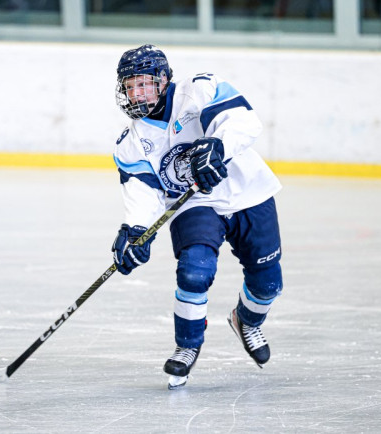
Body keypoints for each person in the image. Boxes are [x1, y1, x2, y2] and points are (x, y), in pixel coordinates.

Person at [110, 44, 283, 389]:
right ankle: (186, 346)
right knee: (194, 271)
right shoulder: (131, 143)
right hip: (194, 203)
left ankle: (246, 319)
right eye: (130, 86)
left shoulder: (199, 89)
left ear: (163, 80)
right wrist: (136, 230)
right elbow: (144, 192)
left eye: (143, 84)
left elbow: (243, 121)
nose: (136, 93)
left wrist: (218, 145)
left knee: (268, 282)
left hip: (247, 190)